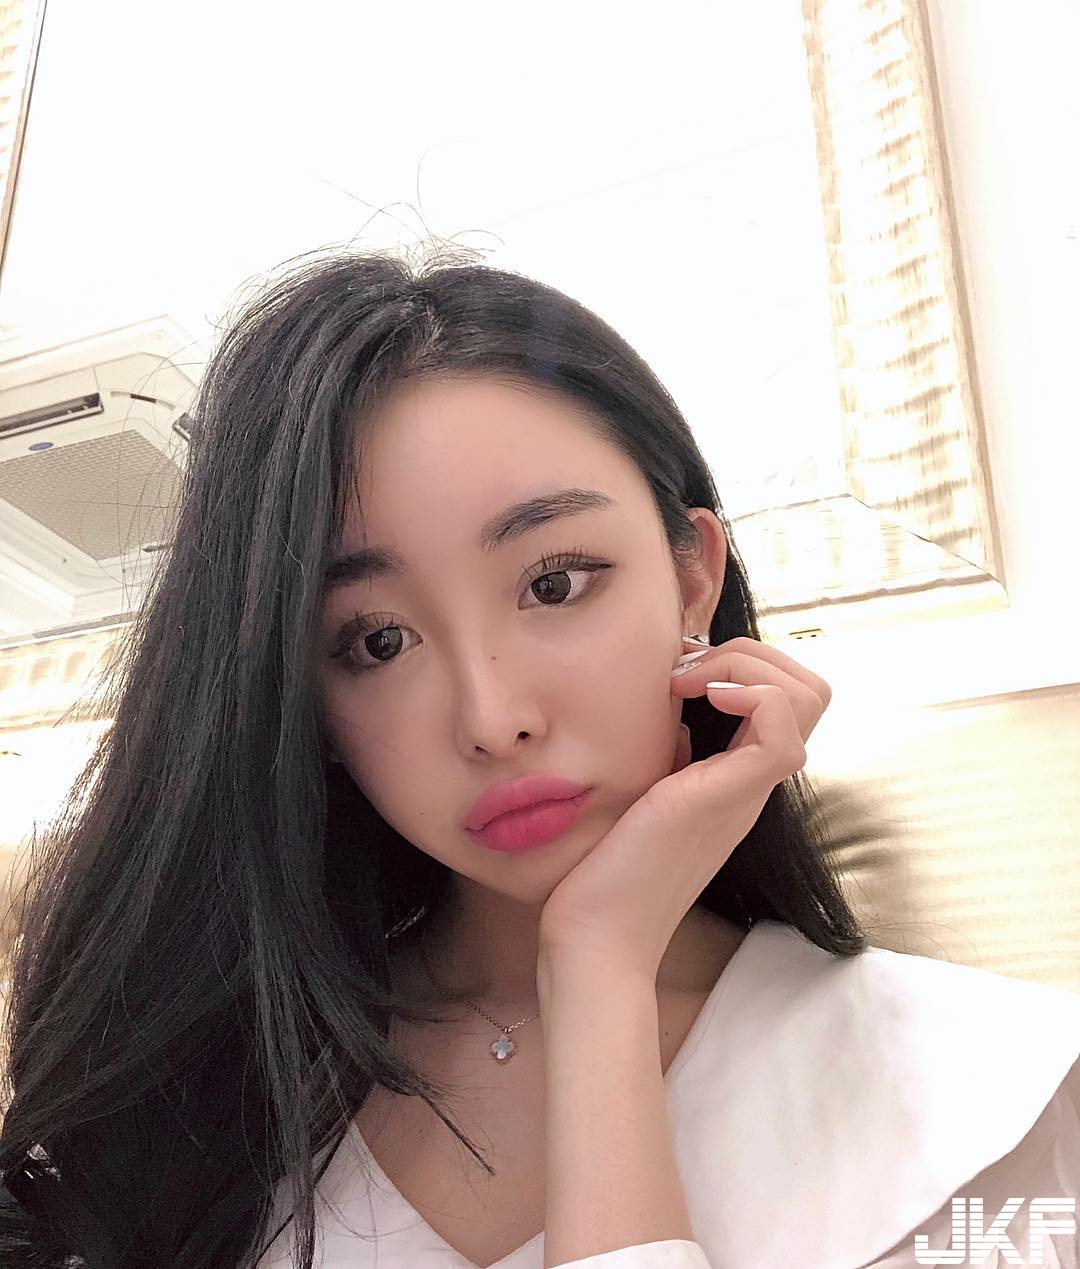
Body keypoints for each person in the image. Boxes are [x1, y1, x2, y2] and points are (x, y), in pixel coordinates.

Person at [0, 248, 1076, 1269]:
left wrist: (600, 968)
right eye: (377, 641)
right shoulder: (207, 1098)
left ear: (693, 577)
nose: (492, 717)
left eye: (554, 583)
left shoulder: (1004, 1092)